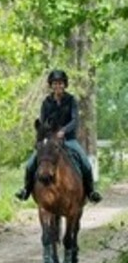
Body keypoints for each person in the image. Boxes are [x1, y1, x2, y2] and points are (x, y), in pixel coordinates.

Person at [15, 69, 102, 203]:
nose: (58, 86)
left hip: (69, 139)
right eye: (55, 83)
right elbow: (43, 122)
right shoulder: (46, 102)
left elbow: (74, 120)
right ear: (51, 85)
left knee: (86, 163)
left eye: (60, 83)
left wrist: (64, 131)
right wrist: (48, 134)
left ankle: (90, 192)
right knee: (30, 164)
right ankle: (26, 190)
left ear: (65, 84)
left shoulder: (71, 100)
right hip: (50, 141)